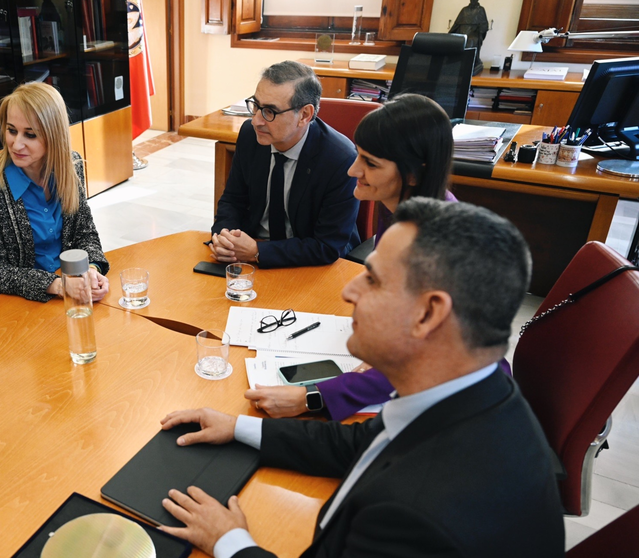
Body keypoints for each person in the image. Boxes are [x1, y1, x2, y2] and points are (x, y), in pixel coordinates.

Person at [158, 198, 564, 557]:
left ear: (428, 314)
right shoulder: (475, 393)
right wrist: (239, 427)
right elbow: (363, 442)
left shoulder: (413, 517)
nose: (349, 290)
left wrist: (229, 542)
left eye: (371, 278)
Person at [246, 94, 472, 422]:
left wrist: (311, 397)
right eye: (358, 156)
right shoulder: (400, 206)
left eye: (371, 163)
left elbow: (423, 358)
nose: (353, 169)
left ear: (412, 174)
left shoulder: (441, 243)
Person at [0, 82, 109, 307]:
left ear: (54, 136)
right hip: (10, 304)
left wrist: (91, 269)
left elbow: (85, 234)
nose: (16, 144)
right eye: (11, 130)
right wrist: (57, 285)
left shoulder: (71, 167)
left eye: (30, 135)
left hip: (64, 291)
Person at [210, 61, 359, 268]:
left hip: (310, 265)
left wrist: (258, 252)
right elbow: (233, 200)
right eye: (256, 105)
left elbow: (328, 246)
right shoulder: (250, 135)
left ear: (305, 115)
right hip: (248, 256)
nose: (256, 121)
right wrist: (224, 237)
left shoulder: (340, 159)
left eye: (270, 111)